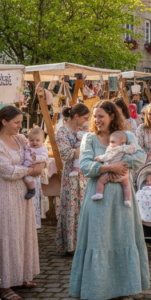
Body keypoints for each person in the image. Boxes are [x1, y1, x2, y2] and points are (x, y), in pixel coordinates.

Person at [69, 100, 148, 300]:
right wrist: (108, 166)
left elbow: (140, 157)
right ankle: (89, 290)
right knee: (97, 239)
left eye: (101, 116)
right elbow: (85, 165)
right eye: (95, 116)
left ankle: (125, 288)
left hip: (122, 197)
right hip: (98, 196)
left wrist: (121, 164)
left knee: (121, 237)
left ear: (112, 116)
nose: (97, 120)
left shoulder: (127, 136)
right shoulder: (89, 138)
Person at [0, 105, 44, 300]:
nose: (19, 126)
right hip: (6, 192)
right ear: (4, 121)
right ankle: (3, 284)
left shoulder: (20, 139)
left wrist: (39, 165)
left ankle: (19, 275)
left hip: (22, 191)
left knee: (21, 232)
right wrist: (30, 170)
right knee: (6, 235)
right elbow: (5, 171)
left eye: (20, 123)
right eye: (16, 123)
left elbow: (40, 153)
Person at [55, 104, 90, 254]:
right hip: (71, 175)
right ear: (76, 116)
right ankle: (71, 246)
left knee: (84, 208)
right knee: (71, 208)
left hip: (85, 175)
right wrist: (87, 149)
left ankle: (84, 244)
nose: (87, 120)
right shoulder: (63, 131)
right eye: (85, 117)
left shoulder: (83, 131)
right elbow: (66, 153)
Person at [91, 130, 137, 206]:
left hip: (111, 173)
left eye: (112, 142)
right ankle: (127, 200)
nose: (110, 144)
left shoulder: (114, 149)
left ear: (121, 143)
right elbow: (133, 149)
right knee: (126, 185)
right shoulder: (124, 148)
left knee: (100, 181)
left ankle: (99, 193)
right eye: (110, 142)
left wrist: (99, 158)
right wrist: (132, 144)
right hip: (123, 174)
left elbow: (107, 157)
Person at [22, 127, 49, 200]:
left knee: (29, 179)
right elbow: (25, 148)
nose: (34, 142)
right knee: (25, 178)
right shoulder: (28, 146)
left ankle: (31, 190)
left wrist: (36, 158)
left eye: (37, 140)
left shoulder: (43, 148)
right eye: (32, 140)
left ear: (43, 141)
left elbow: (44, 157)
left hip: (34, 167)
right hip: (26, 165)